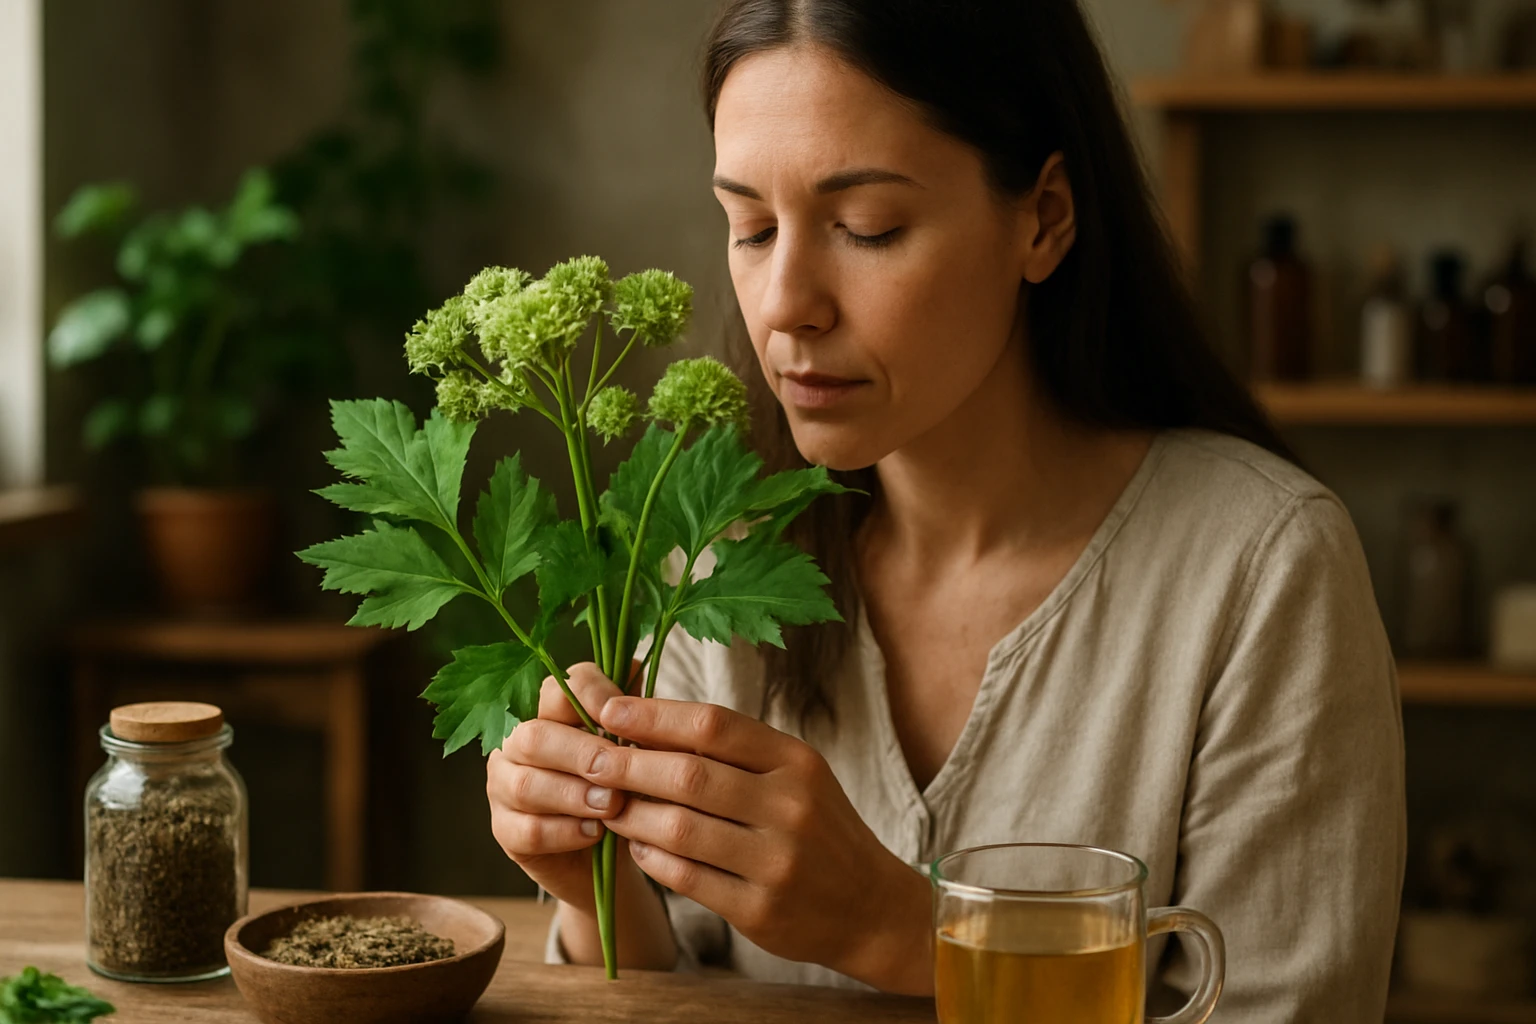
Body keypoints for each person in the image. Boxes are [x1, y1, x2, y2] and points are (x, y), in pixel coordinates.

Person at [484, 0, 1406, 1017]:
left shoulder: (1263, 568)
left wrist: (899, 930)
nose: (786, 302)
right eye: (750, 227)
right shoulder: (722, 542)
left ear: (1043, 216)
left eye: (865, 228)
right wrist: (596, 883)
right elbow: (686, 986)